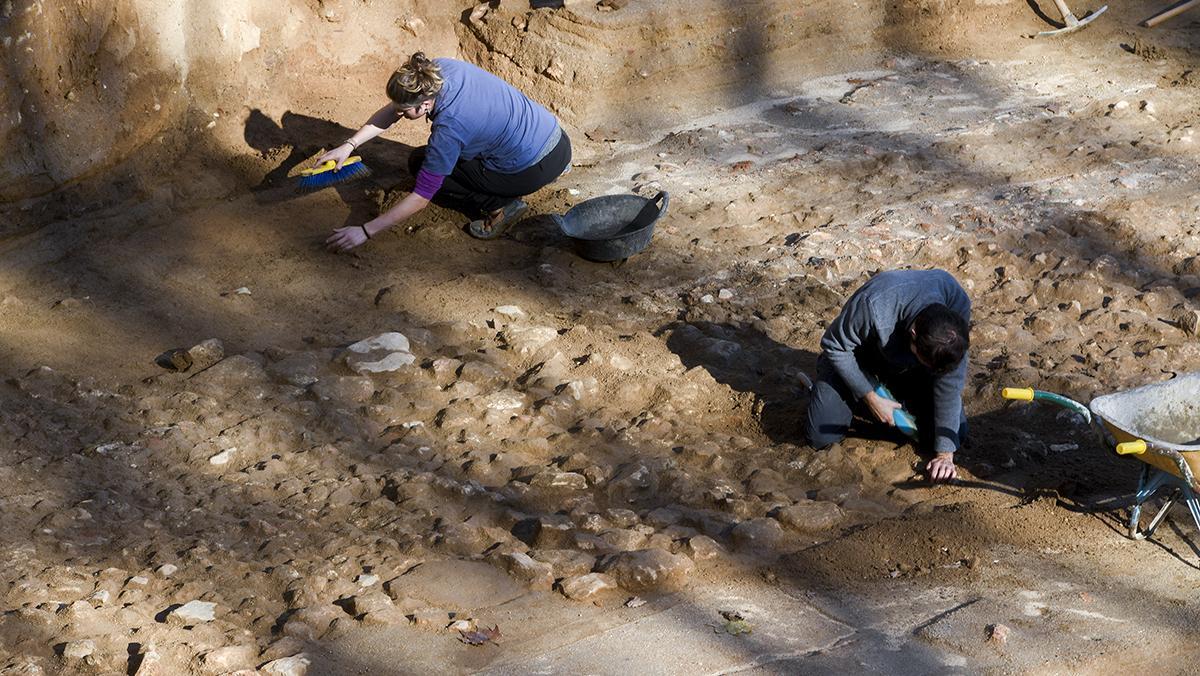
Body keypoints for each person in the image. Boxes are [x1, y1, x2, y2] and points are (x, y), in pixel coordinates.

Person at [320, 52, 571, 250]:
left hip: (531, 168)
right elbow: (395, 108)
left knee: (421, 164)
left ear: (425, 103)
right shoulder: (435, 71)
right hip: (556, 140)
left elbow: (422, 196)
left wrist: (365, 231)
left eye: (403, 112)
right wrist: (349, 145)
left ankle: (501, 205)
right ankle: (541, 170)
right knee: (440, 157)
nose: (398, 115)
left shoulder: (450, 128)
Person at [804, 269, 971, 482]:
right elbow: (834, 346)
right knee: (820, 436)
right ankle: (843, 395)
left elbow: (949, 381)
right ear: (914, 335)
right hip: (857, 359)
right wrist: (870, 397)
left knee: (954, 434)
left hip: (907, 369)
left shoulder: (956, 304)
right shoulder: (875, 303)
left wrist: (945, 455)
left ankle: (886, 401)